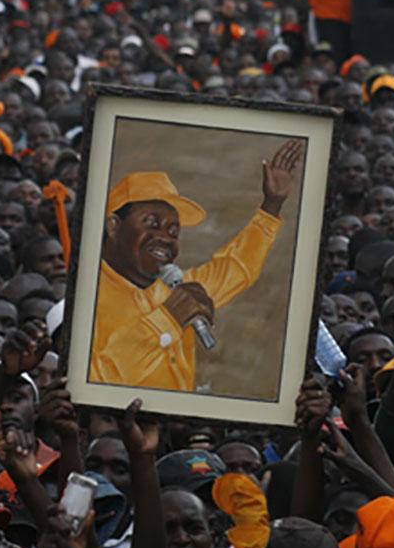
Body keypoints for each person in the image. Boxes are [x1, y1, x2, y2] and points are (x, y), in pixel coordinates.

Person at [91, 140, 302, 391]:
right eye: (151, 223)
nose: (165, 238)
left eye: (173, 230)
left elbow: (236, 267)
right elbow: (97, 380)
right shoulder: (87, 297)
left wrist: (272, 206)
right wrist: (167, 319)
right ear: (114, 225)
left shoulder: (176, 289)